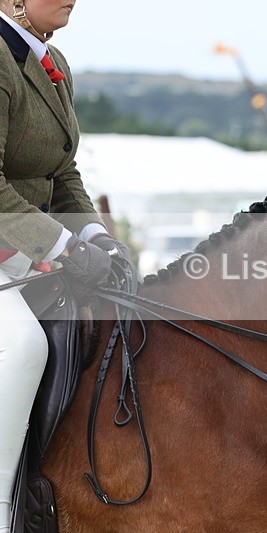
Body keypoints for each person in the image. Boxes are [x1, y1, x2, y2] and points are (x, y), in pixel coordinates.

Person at [0, 1, 127, 530]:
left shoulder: (51, 62)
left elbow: (62, 172)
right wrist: (63, 249)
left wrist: (98, 237)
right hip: (10, 242)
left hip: (22, 246)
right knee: (23, 345)